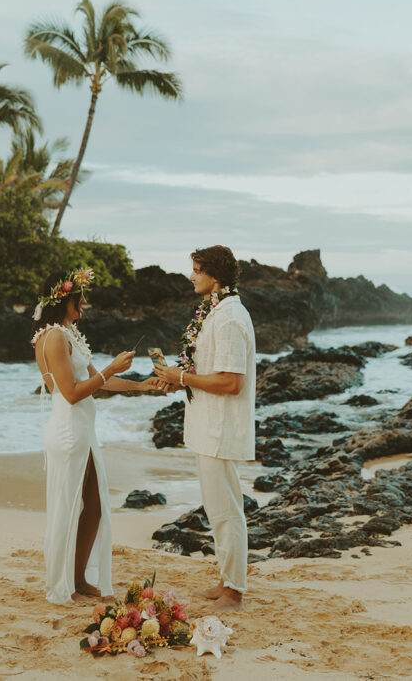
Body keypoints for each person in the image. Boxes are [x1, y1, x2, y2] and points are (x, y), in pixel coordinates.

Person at [30, 266, 145, 604]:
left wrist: (143, 386)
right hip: (69, 432)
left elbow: (101, 381)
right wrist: (110, 368)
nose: (84, 302)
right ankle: (65, 584)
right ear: (63, 299)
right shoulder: (54, 337)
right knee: (69, 508)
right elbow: (71, 392)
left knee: (93, 506)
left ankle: (79, 579)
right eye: (79, 296)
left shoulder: (67, 333)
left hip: (83, 431)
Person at [151, 246, 256, 612]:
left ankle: (235, 592)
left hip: (220, 428)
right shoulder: (216, 311)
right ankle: (227, 581)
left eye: (197, 270)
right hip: (208, 425)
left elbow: (231, 383)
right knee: (219, 509)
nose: (191, 276)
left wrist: (183, 376)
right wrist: (180, 381)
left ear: (216, 276)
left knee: (226, 510)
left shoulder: (228, 318)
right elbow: (212, 373)